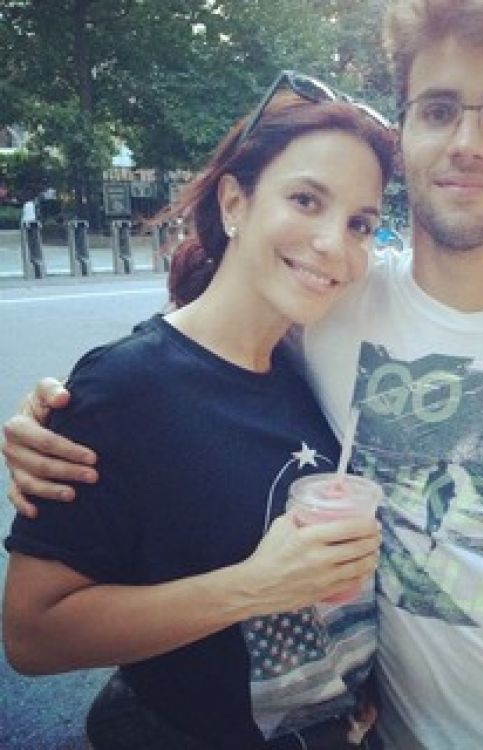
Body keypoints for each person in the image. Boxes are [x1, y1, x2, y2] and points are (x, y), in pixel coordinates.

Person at [3, 2, 483, 748]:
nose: (467, 144)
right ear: (406, 133)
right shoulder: (334, 306)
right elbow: (194, 358)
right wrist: (63, 413)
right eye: (439, 111)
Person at [3, 82, 394, 750]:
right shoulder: (123, 386)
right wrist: (254, 587)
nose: (335, 243)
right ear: (235, 202)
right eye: (306, 200)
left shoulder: (310, 360)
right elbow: (32, 636)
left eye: (360, 223)